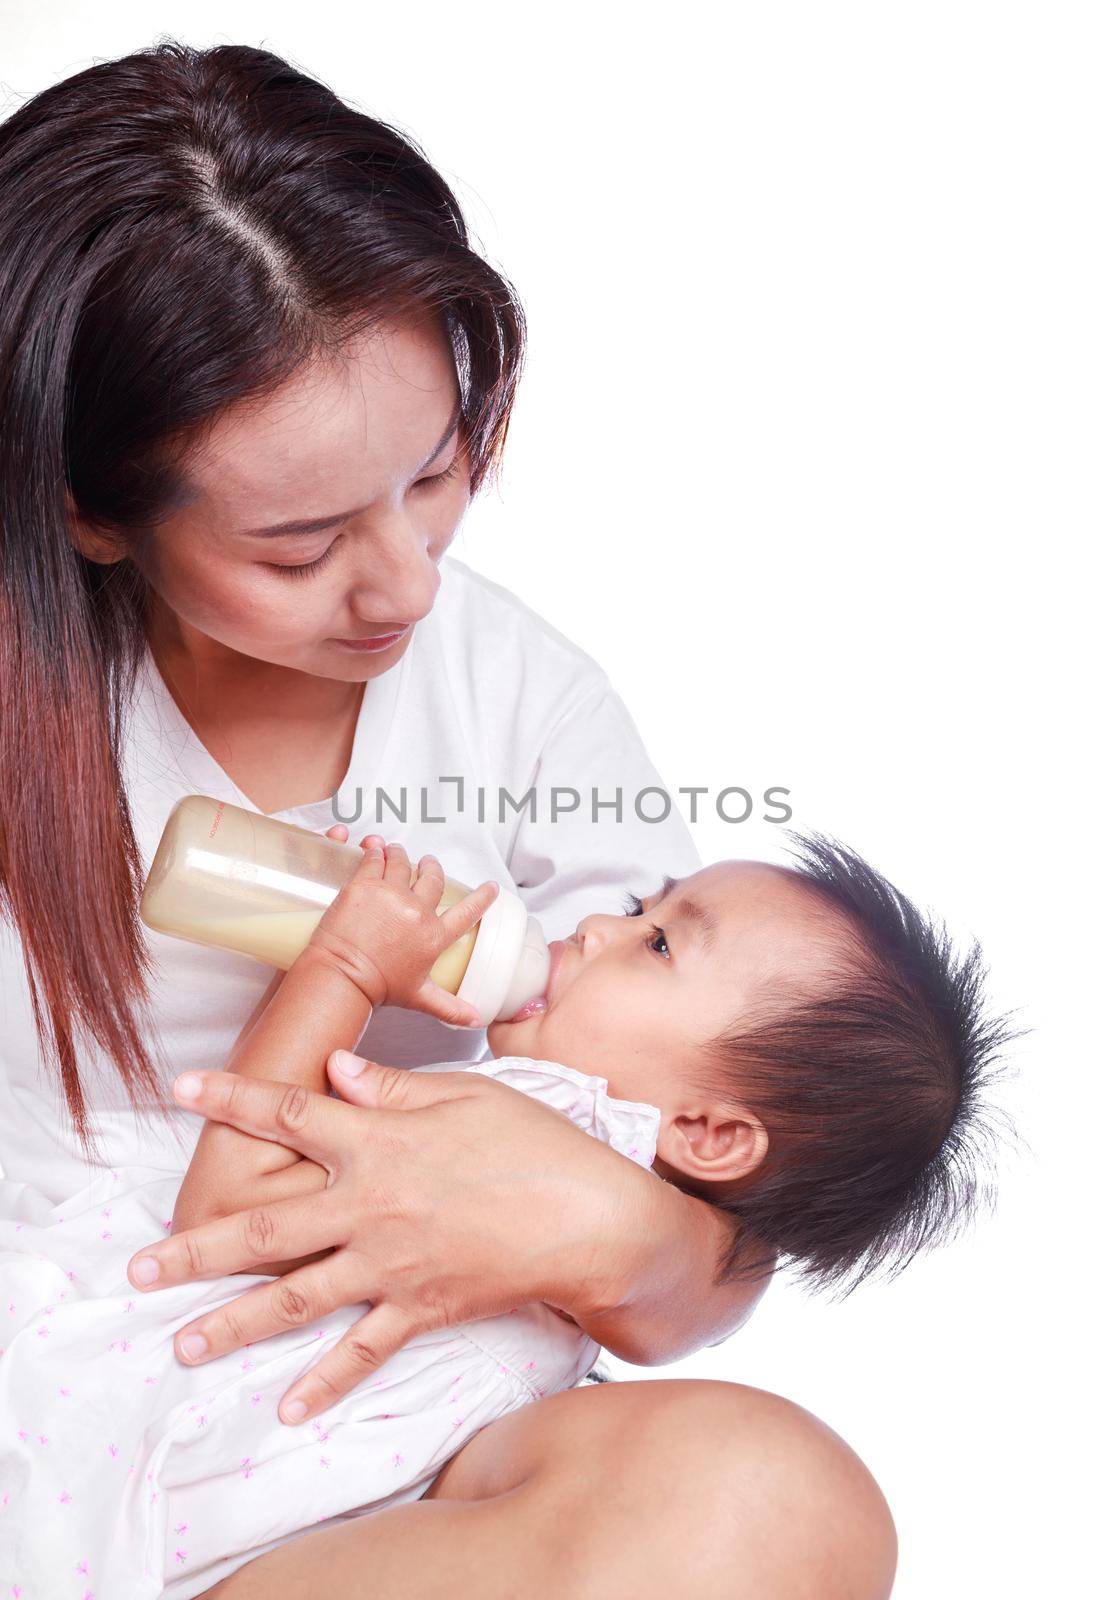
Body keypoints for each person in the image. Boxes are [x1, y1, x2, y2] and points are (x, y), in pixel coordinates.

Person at [0, 40, 898, 1599]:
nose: (406, 586)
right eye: (297, 545)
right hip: (93, 1369)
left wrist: (596, 1231)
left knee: (774, 1500)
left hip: (381, 1451)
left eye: (434, 473)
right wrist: (346, 973)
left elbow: (719, 1135)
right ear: (83, 508)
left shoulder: (513, 694)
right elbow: (233, 1198)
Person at [1, 831, 1002, 1596]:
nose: (597, 927)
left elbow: (229, 1208)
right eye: (635, 905)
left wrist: (341, 968)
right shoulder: (577, 1189)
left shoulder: (525, 1125)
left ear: (704, 1130)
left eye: (654, 942)